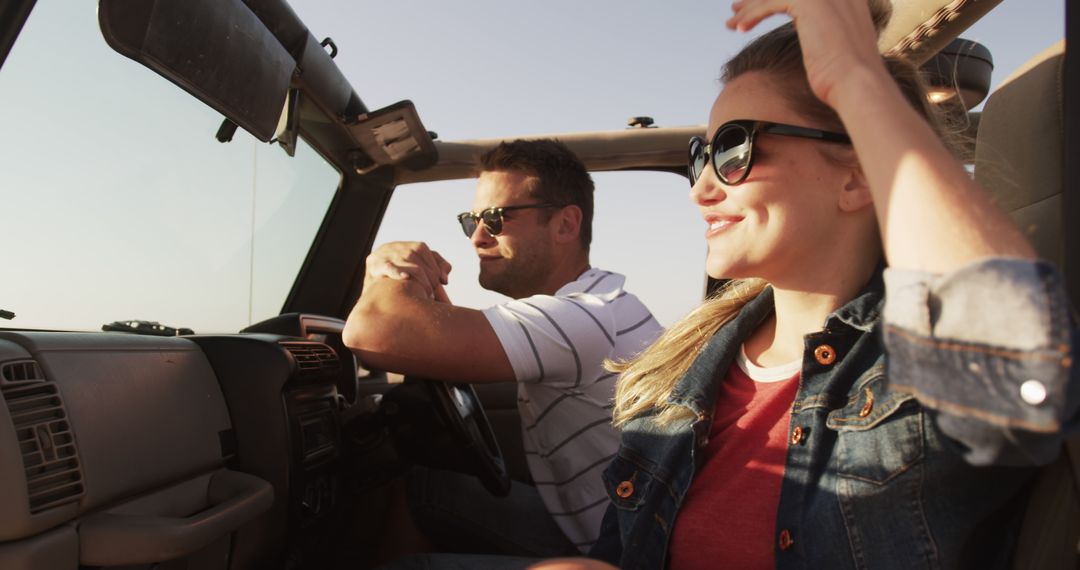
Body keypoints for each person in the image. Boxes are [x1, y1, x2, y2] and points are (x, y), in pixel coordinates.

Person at [581, 0, 1079, 569]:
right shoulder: (679, 369)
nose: (701, 189)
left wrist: (853, 74)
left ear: (857, 174)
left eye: (734, 148)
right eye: (701, 157)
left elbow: (1016, 377)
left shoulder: (911, 369)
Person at [342, 138, 663, 559]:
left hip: (615, 552)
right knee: (425, 486)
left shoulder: (581, 320)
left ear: (566, 225)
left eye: (495, 219)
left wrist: (383, 264)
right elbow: (439, 339)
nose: (477, 237)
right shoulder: (594, 303)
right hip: (603, 525)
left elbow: (370, 331)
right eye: (471, 220)